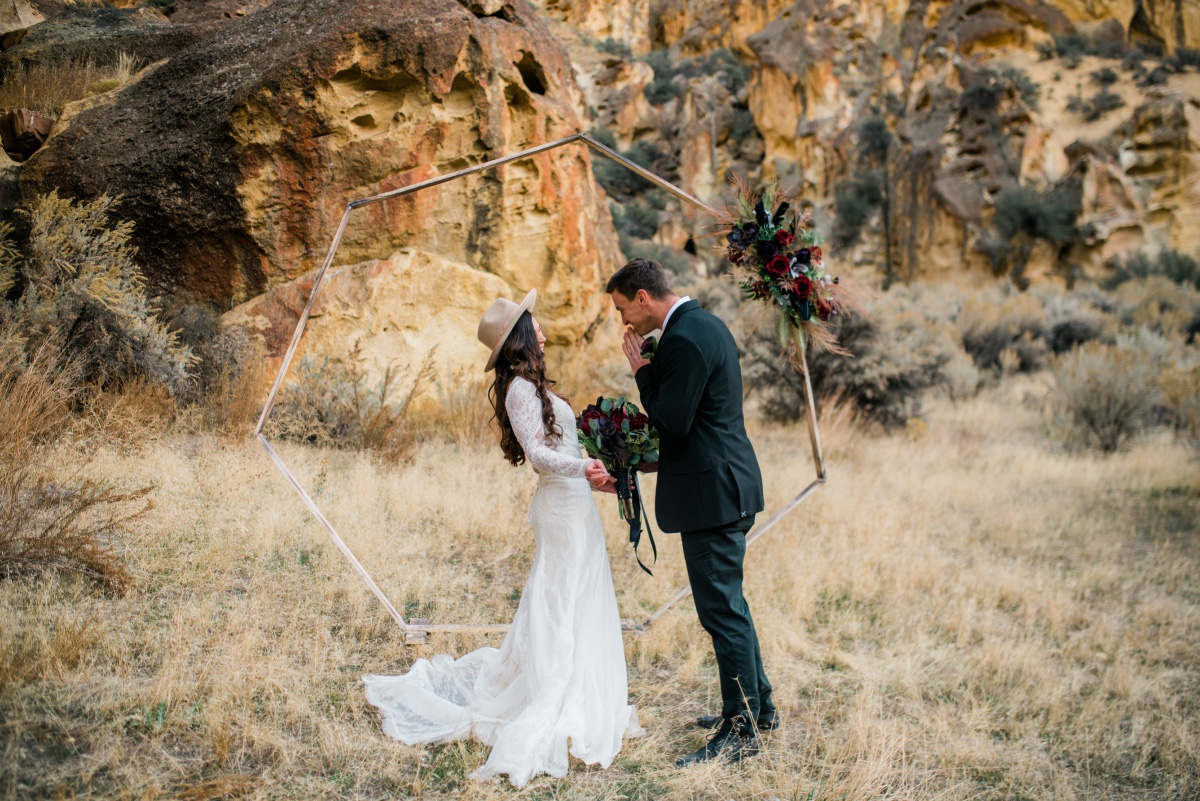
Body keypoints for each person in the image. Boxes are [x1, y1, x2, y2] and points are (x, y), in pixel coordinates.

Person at [362, 289, 642, 788]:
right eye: (534, 325)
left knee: (575, 596)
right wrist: (583, 466)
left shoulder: (531, 387)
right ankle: (552, 692)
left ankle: (578, 685)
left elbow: (560, 449)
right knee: (559, 599)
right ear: (519, 336)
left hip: (574, 503)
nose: (543, 332)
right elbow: (537, 453)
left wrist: (596, 472)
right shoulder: (517, 388)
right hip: (560, 508)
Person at [606, 258, 775, 766]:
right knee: (731, 606)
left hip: (714, 497)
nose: (625, 324)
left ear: (642, 297)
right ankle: (757, 709)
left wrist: (642, 372)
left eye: (622, 310)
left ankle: (742, 730)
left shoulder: (682, 338)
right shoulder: (703, 325)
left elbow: (672, 423)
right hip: (726, 487)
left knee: (721, 612)